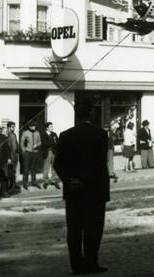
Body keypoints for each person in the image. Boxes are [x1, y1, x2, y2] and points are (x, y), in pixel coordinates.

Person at [54, 101, 109, 275]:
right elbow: (99, 164)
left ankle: (77, 266)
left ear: (77, 115)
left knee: (75, 229)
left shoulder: (65, 135)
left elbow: (58, 163)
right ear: (91, 114)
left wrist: (70, 180)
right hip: (94, 190)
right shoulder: (100, 134)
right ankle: (92, 263)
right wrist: (84, 180)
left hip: (73, 191)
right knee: (93, 228)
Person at [20, 122, 42, 190]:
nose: (33, 127)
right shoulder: (25, 133)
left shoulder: (37, 133)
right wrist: (24, 151)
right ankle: (25, 183)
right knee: (26, 169)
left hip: (35, 153)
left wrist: (37, 145)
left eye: (34, 126)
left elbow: (40, 142)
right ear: (29, 127)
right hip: (28, 153)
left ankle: (34, 182)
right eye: (32, 126)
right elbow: (22, 142)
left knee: (33, 169)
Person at [6, 121, 20, 194]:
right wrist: (9, 157)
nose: (13, 128)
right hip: (10, 155)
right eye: (12, 127)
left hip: (15, 155)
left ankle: (14, 184)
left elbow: (16, 144)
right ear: (8, 127)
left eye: (14, 127)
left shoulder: (14, 134)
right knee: (10, 171)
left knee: (14, 170)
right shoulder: (7, 135)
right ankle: (10, 186)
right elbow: (8, 147)